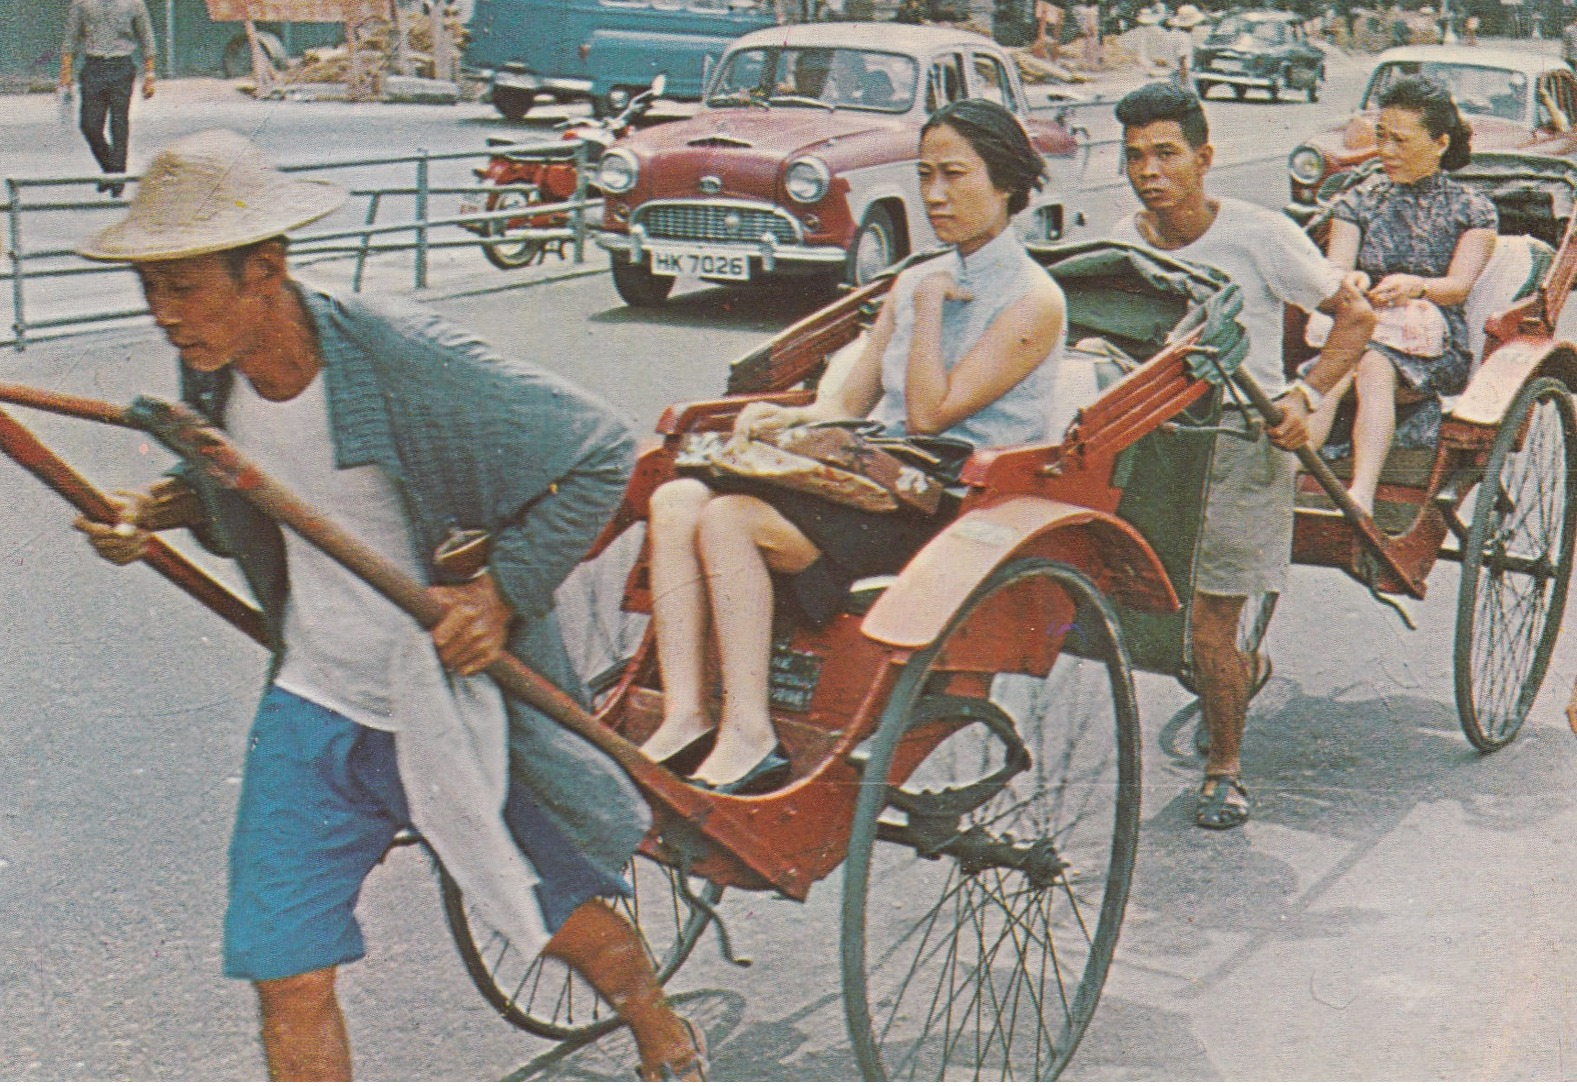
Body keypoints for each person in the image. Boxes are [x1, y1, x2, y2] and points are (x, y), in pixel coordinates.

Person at [71, 130, 706, 1082]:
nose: (164, 316)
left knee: (548, 917)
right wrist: (149, 509)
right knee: (287, 970)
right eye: (150, 289)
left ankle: (658, 1024)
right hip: (315, 700)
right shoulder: (209, 363)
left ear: (267, 270)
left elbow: (600, 451)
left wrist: (499, 595)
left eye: (186, 286)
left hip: (438, 695)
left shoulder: (401, 357)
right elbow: (232, 474)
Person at [635, 99, 1067, 790]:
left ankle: (749, 732)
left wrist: (924, 312)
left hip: (943, 506)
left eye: (954, 175)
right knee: (679, 499)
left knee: (729, 517)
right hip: (865, 480)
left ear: (1008, 183)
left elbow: (929, 416)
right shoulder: (916, 276)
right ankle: (686, 712)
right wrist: (779, 423)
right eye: (924, 174)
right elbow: (847, 401)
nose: (933, 195)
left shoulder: (1032, 300)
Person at [1109, 83, 1374, 829]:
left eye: (1164, 154)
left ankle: (1223, 766)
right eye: (1133, 157)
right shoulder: (1119, 236)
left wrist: (1305, 397)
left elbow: (1354, 317)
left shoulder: (1258, 235)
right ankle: (1239, 675)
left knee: (1207, 629)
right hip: (1154, 442)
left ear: (1203, 158)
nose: (1147, 171)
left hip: (1239, 437)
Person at [1311, 76, 1496, 511]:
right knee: (1333, 369)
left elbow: (1458, 287)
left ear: (1439, 142)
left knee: (1374, 364)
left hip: (1430, 342)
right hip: (1362, 323)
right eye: (1381, 137)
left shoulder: (1472, 208)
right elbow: (1336, 268)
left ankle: (1361, 491)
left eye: (1400, 140)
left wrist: (1418, 286)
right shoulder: (1359, 200)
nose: (1386, 151)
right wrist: (1350, 280)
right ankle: (1291, 474)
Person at [60, 0, 158, 198]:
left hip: (121, 66)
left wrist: (149, 76)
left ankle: (118, 178)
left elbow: (146, 38)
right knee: (89, 124)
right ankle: (110, 169)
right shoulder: (82, 4)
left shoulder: (133, 3)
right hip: (93, 67)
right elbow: (70, 40)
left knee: (118, 122)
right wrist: (66, 73)